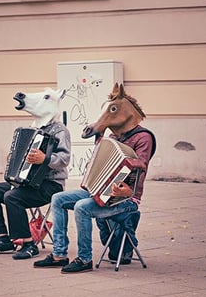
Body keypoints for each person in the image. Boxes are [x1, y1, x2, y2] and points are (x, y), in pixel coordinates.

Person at [34, 83, 155, 272]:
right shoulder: (113, 138)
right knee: (58, 199)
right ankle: (59, 254)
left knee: (82, 208)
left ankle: (84, 259)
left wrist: (126, 190)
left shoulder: (143, 137)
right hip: (99, 194)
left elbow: (141, 166)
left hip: (127, 199)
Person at [0, 91, 71, 260]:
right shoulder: (34, 128)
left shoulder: (60, 130)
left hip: (50, 185)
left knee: (12, 197)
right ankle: (3, 239)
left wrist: (45, 159)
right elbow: (24, 155)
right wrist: (15, 158)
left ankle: (29, 244)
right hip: (28, 183)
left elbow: (64, 159)